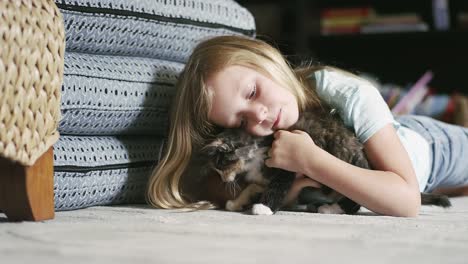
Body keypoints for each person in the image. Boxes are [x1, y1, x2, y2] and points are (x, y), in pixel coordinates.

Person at [147, 35, 468, 217]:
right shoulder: (260, 133)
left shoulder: (348, 93)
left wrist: (311, 160)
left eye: (253, 92)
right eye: (241, 121)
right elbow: (213, 186)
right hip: (413, 168)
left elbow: (407, 201)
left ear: (267, 59)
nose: (258, 116)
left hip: (433, 146)